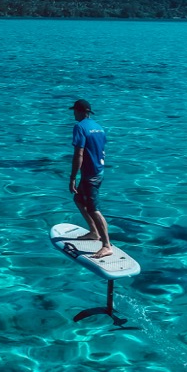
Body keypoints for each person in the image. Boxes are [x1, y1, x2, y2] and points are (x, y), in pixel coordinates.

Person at [69, 99, 113, 258]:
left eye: (74, 110)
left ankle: (106, 245)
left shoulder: (79, 127)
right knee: (79, 199)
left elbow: (78, 154)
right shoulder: (99, 128)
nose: (73, 113)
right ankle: (94, 232)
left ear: (80, 111)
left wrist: (73, 177)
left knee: (94, 209)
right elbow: (102, 150)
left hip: (90, 175)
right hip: (99, 171)